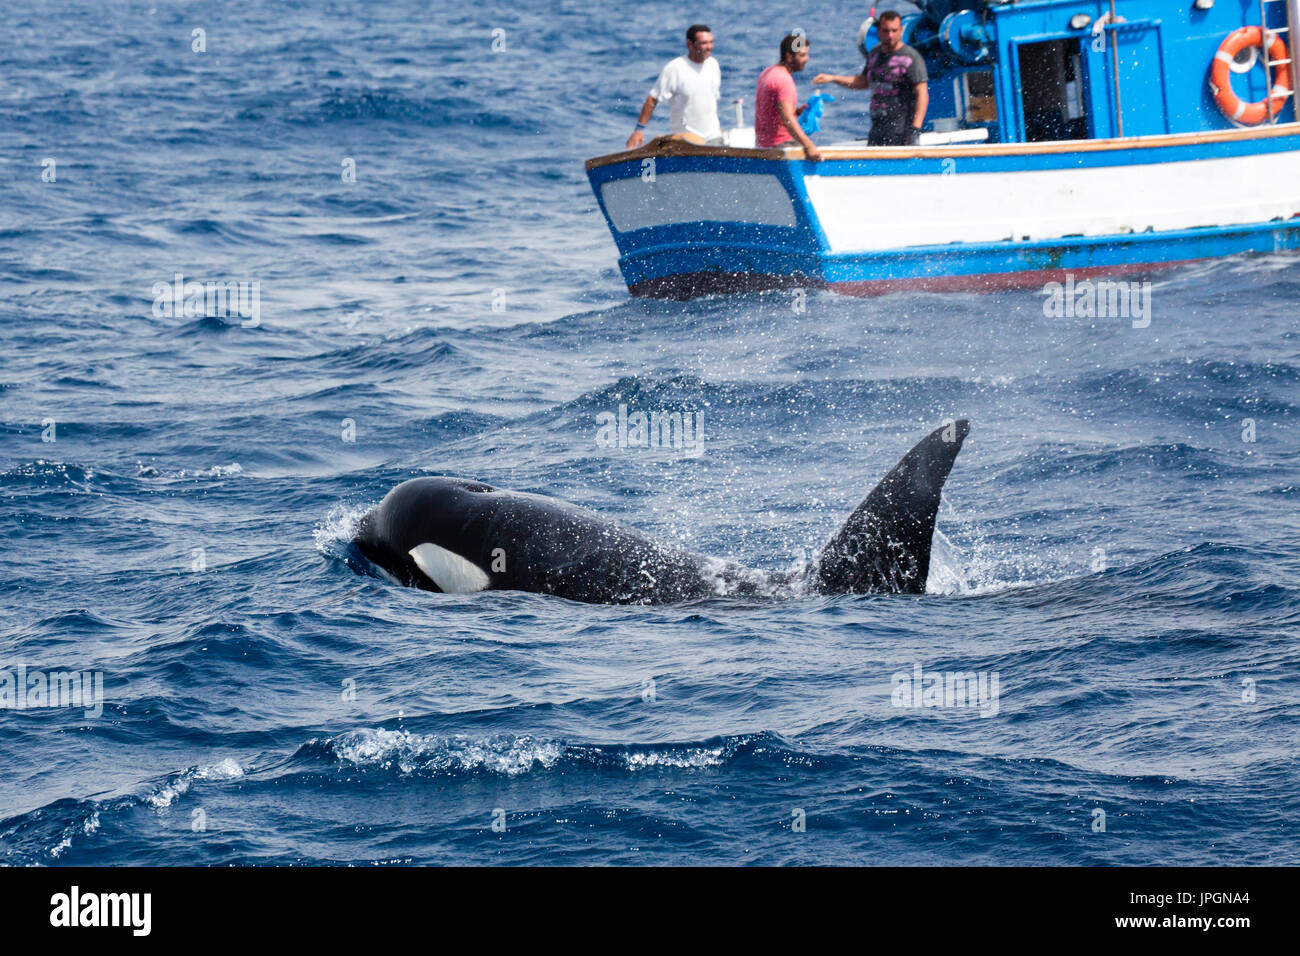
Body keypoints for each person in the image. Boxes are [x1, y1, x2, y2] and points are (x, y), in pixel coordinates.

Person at [813, 11, 928, 146]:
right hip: (877, 126)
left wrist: (915, 130)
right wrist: (833, 78)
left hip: (901, 129)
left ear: (901, 31)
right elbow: (863, 82)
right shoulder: (874, 53)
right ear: (878, 31)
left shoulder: (910, 57)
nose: (890, 35)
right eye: (886, 31)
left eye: (894, 31)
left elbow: (922, 94)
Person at [627, 25, 722, 148]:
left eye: (711, 42)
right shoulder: (675, 68)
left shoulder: (713, 65)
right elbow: (652, 99)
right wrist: (638, 130)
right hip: (686, 141)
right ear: (690, 44)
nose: (709, 47)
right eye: (704, 43)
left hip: (714, 138)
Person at [754, 33, 823, 160]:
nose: (807, 59)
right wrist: (809, 146)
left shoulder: (768, 72)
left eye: (807, 54)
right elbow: (787, 119)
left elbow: (772, 110)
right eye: (802, 55)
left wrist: (795, 111)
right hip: (781, 146)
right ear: (789, 57)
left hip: (762, 144)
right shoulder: (784, 79)